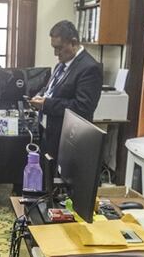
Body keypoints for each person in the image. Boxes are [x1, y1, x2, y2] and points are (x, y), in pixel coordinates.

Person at [28, 20, 102, 180]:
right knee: (47, 178)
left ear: (73, 43)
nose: (56, 53)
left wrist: (46, 104)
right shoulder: (62, 65)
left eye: (59, 48)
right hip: (50, 133)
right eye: (54, 48)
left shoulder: (89, 68)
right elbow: (51, 89)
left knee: (60, 184)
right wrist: (40, 96)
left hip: (68, 138)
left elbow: (82, 107)